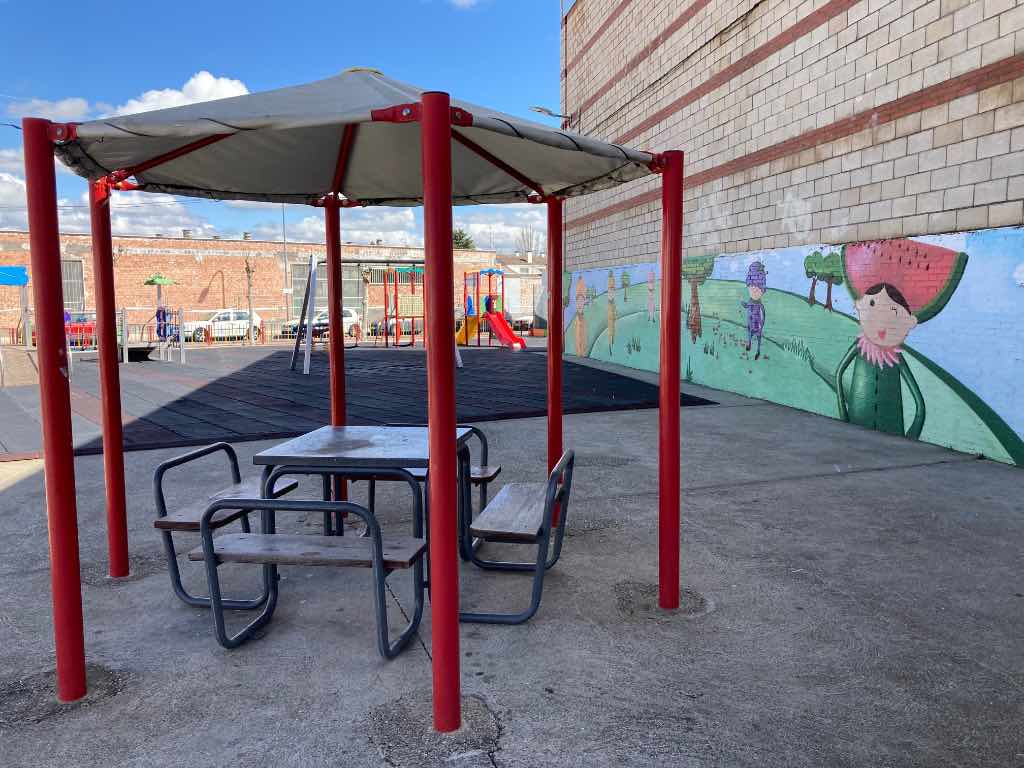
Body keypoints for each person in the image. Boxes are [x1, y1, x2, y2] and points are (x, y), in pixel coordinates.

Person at [741, 261, 766, 360]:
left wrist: (762, 324)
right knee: (749, 333)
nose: (754, 290)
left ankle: (758, 350)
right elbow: (747, 306)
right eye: (751, 287)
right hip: (750, 322)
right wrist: (742, 302)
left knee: (758, 336)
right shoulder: (750, 301)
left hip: (757, 323)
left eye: (758, 288)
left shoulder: (760, 304)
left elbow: (763, 314)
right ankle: (749, 344)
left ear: (762, 289)